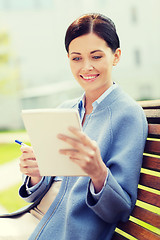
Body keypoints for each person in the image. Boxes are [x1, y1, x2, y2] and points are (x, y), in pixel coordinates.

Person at [0, 13, 148, 240]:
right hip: (36, 218)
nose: (86, 67)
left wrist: (98, 173)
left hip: (67, 231)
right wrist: (36, 175)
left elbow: (120, 209)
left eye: (96, 56)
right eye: (76, 58)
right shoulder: (64, 110)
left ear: (116, 56)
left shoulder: (128, 115)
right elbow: (38, 193)